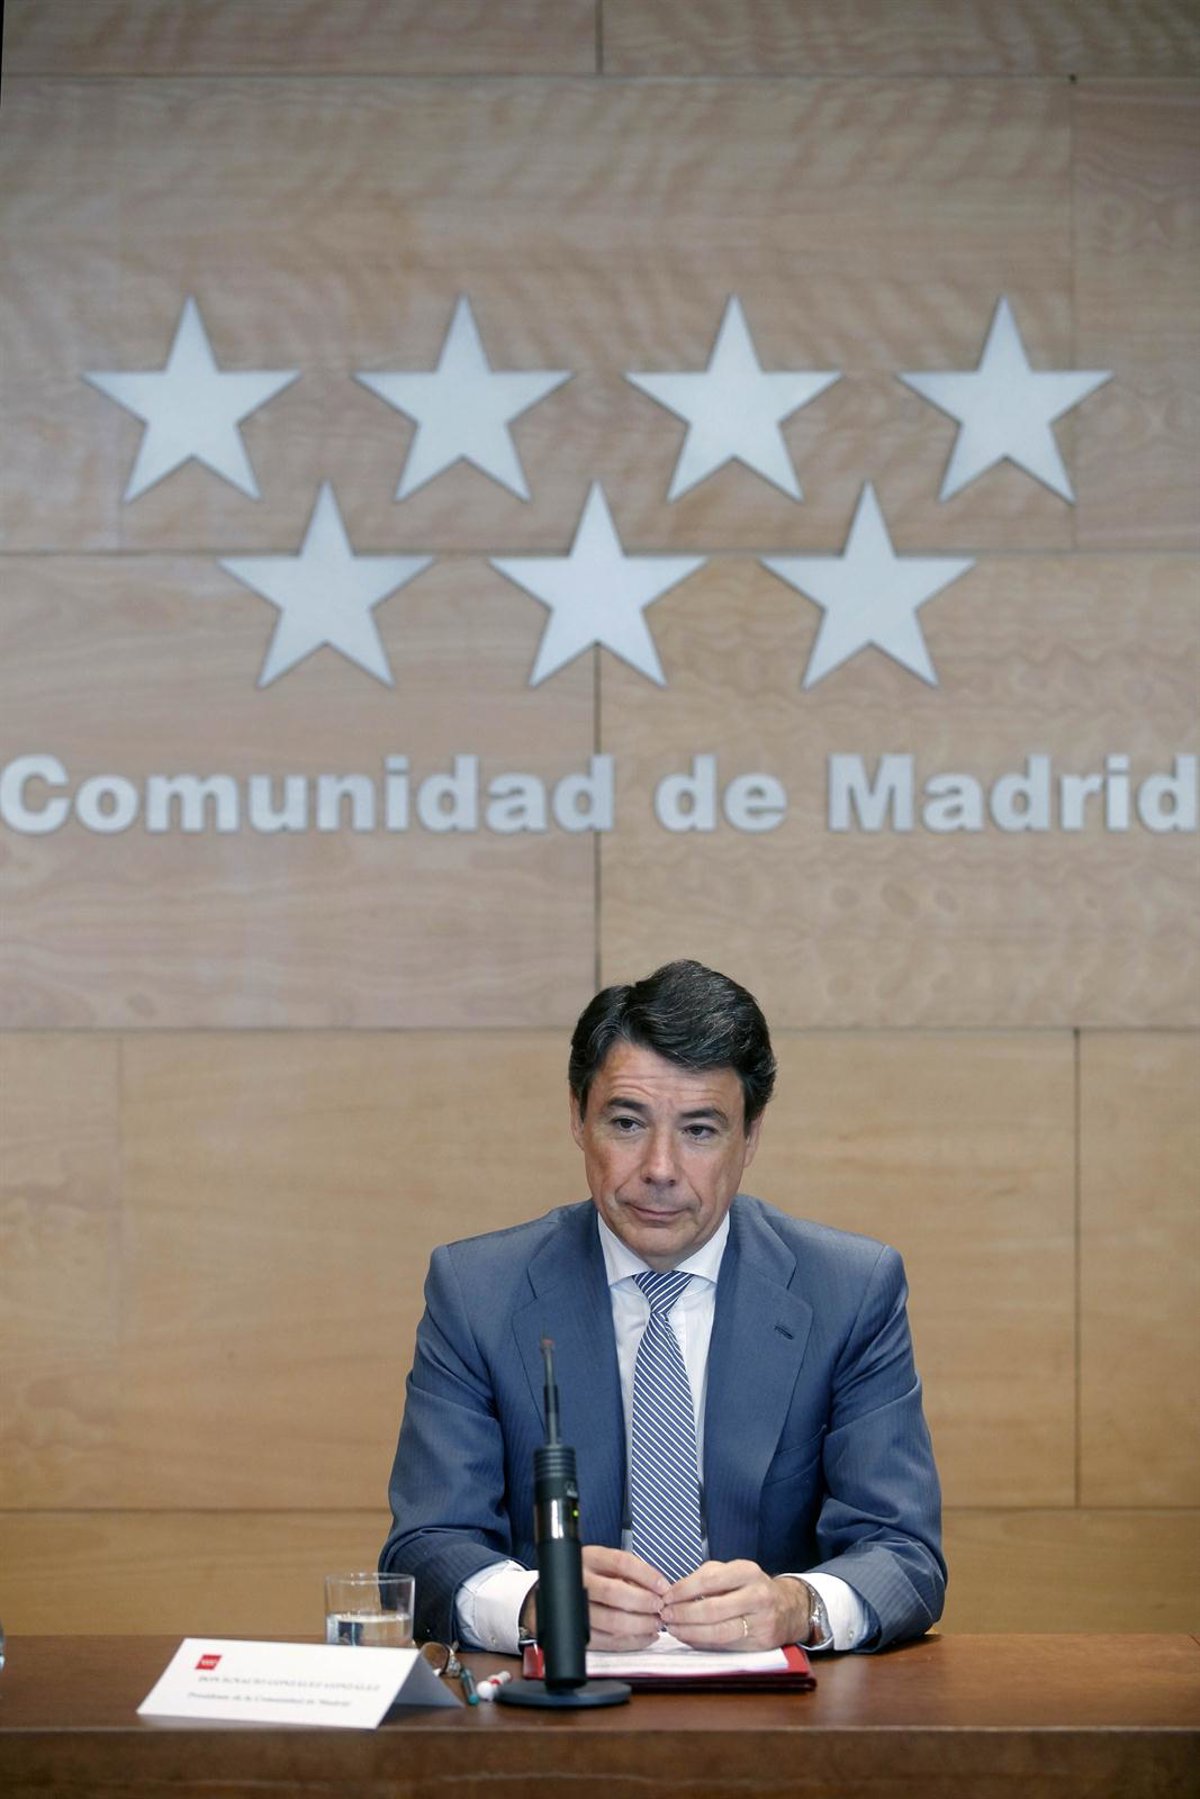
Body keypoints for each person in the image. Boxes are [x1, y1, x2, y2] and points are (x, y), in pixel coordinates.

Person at [380, 960, 945, 1655]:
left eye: (700, 1130)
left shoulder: (849, 1291)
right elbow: (427, 1545)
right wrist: (534, 1602)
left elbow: (903, 1552)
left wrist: (798, 1605)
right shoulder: (477, 1291)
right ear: (578, 1118)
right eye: (627, 1122)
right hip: (561, 1694)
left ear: (751, 1137)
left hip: (773, 1700)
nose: (659, 1168)